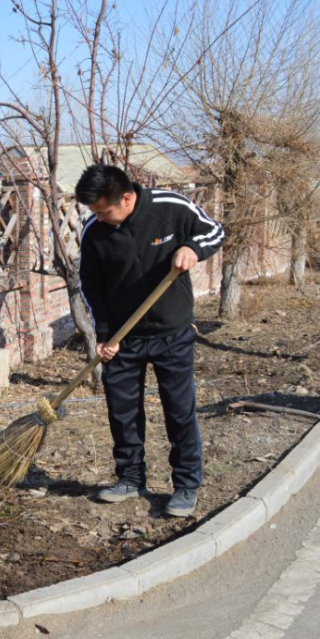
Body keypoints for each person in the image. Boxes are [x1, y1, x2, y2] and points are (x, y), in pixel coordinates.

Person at [76, 164, 224, 517]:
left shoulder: (169, 207)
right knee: (122, 412)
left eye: (104, 210)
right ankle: (130, 478)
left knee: (179, 410)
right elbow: (92, 288)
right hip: (124, 340)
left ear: (126, 198)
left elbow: (214, 231)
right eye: (94, 212)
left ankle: (186, 485)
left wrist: (192, 248)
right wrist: (105, 335)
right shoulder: (95, 233)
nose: (99, 217)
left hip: (173, 334)